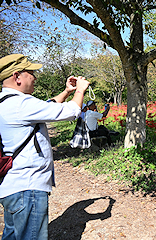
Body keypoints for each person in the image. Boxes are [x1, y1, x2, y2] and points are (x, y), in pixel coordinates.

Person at [0, 54, 90, 239]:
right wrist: (80, 90)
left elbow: (45, 107)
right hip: (27, 187)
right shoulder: (21, 104)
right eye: (31, 72)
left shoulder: (7, 102)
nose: (35, 77)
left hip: (11, 186)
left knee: (12, 235)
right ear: (17, 77)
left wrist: (66, 91)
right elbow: (71, 111)